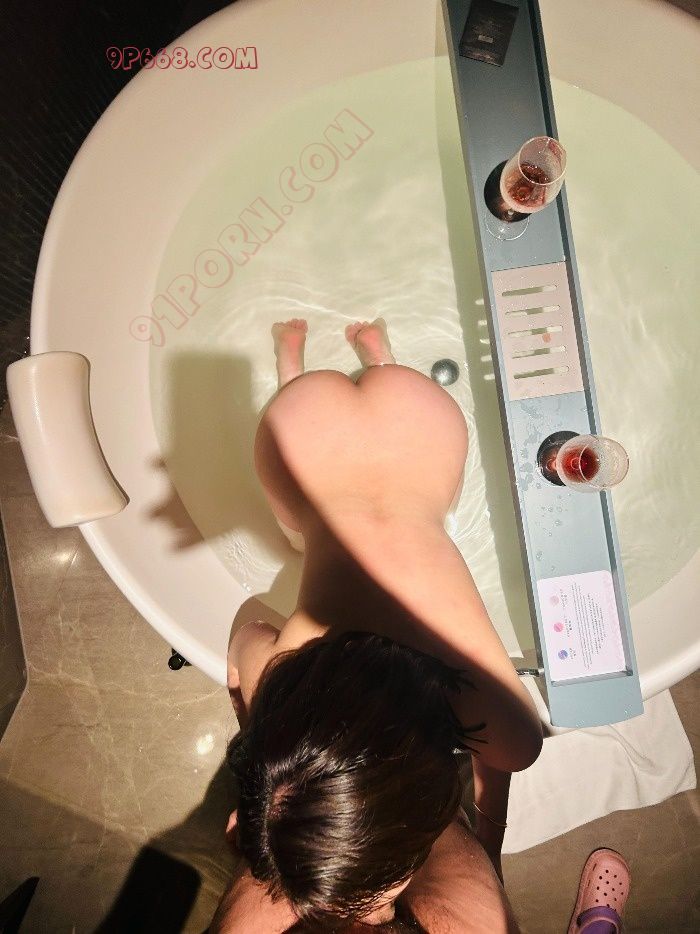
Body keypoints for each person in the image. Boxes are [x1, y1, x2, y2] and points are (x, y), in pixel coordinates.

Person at [213, 316, 544, 931]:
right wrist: (262, 707)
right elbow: (246, 632)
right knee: (301, 528)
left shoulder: (495, 717)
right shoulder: (287, 671)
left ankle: (376, 357)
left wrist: (490, 828)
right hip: (301, 427)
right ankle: (302, 362)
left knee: (360, 520)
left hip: (422, 417)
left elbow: (507, 753)